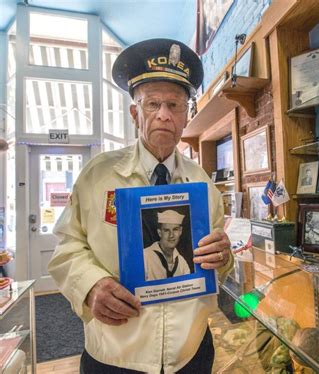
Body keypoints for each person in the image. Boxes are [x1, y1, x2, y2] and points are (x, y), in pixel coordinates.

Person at [48, 38, 233, 374]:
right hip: (116, 355)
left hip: (190, 353)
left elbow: (216, 260)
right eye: (152, 104)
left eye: (175, 105)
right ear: (135, 113)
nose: (164, 114)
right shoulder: (98, 175)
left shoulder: (204, 185)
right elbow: (67, 246)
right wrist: (90, 286)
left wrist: (224, 256)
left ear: (187, 115)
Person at [143, 209, 192, 280]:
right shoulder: (145, 256)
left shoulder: (182, 263)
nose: (171, 235)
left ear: (180, 231)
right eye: (166, 230)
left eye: (175, 229)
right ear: (159, 233)